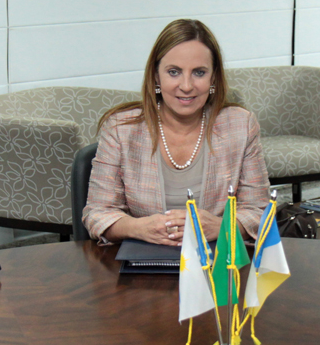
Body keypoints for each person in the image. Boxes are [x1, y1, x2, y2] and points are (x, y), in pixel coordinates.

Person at [82, 19, 269, 245]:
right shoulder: (121, 129)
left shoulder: (241, 125)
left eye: (199, 72)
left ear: (213, 78)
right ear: (156, 76)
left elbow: (259, 211)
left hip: (217, 258)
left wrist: (223, 227)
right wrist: (139, 228)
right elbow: (98, 213)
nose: (187, 86)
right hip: (145, 255)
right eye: (174, 72)